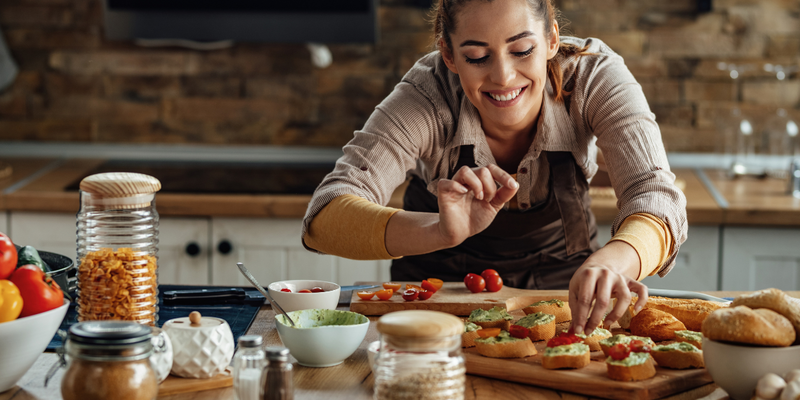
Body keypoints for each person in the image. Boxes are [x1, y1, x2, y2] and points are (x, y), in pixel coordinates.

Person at [300, 0, 687, 336]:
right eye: (476, 57)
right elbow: (324, 218)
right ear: (449, 56)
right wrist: (436, 230)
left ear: (552, 39)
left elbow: (655, 195)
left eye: (522, 50)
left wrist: (614, 259)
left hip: (566, 295)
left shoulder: (593, 76)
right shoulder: (426, 95)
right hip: (437, 300)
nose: (502, 76)